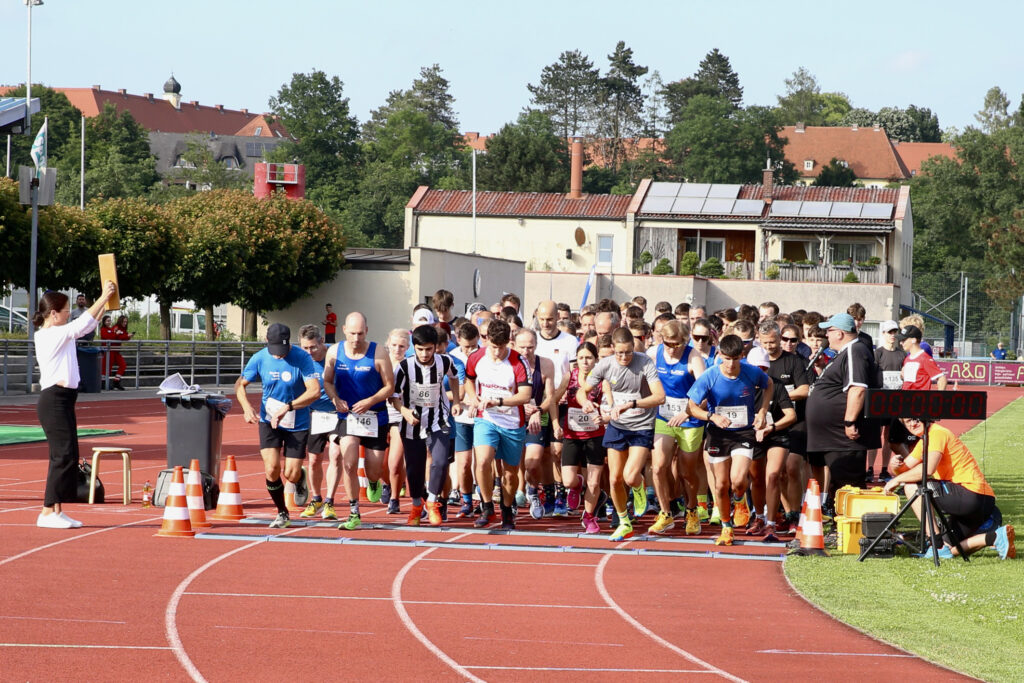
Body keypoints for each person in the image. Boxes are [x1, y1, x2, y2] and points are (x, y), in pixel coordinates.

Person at [34, 281, 118, 529]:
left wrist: (106, 304)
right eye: (66, 310)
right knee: (63, 455)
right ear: (53, 313)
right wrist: (103, 297)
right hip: (54, 400)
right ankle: (47, 511)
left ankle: (56, 509)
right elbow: (80, 325)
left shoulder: (62, 333)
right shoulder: (50, 335)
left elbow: (87, 325)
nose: (69, 313)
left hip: (66, 399)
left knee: (66, 455)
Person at [577, 327, 666, 542]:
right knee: (615, 479)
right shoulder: (606, 365)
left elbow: (660, 397)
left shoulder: (644, 362)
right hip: (618, 426)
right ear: (613, 349)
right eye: (619, 353)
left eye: (628, 352)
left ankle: (639, 487)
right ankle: (624, 521)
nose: (624, 357)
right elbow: (583, 390)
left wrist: (631, 404)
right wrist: (586, 403)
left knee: (629, 476)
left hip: (641, 425)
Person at [883, 419, 1015, 560]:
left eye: (916, 419)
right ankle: (994, 537)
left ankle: (936, 543)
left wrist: (897, 479)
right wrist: (895, 467)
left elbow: (928, 469)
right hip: (981, 501)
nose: (912, 424)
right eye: (908, 421)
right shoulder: (925, 440)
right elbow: (905, 469)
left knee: (911, 487)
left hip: (971, 494)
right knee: (948, 549)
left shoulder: (937, 433)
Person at [686, 334, 772, 546]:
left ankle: (739, 499)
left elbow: (769, 385)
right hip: (719, 433)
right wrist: (711, 416)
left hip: (743, 432)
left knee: (738, 481)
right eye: (727, 358)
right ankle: (726, 526)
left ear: (742, 356)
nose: (732, 364)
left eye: (736, 359)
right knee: (721, 484)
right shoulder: (709, 376)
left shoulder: (751, 372)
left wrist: (762, 411)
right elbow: (691, 407)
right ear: (720, 356)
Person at [235, 323, 322, 528]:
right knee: (272, 469)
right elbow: (240, 385)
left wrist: (289, 407)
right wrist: (246, 407)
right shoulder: (259, 358)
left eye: (283, 352)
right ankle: (282, 512)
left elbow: (314, 391)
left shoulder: (301, 358)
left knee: (290, 474)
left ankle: (299, 477)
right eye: (275, 352)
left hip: (296, 422)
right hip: (269, 421)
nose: (279, 356)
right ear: (267, 342)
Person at [322, 312, 395, 531]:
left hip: (375, 417)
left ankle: (373, 481)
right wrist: (335, 398)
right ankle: (354, 512)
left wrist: (370, 401)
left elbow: (389, 387)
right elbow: (327, 381)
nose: (356, 338)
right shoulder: (334, 351)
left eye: (360, 333)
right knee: (349, 462)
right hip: (348, 416)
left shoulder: (378, 352)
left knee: (373, 470)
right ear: (344, 330)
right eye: (352, 333)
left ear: (367, 331)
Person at [462, 319, 532, 530]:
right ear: (487, 341)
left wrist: (499, 401)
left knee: (510, 474)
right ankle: (486, 506)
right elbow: (469, 380)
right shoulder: (476, 357)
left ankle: (508, 509)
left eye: (501, 348)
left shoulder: (518, 362)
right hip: (487, 419)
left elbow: (525, 396)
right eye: (493, 347)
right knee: (483, 460)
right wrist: (474, 398)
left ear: (508, 343)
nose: (497, 353)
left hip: (512, 422)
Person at [805, 313, 882, 502]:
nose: (826, 336)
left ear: (839, 333)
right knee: (839, 484)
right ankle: (842, 523)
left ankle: (853, 527)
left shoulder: (854, 350)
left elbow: (857, 389)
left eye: (829, 331)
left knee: (849, 483)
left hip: (843, 436)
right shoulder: (844, 353)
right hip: (833, 436)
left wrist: (849, 421)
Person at [393, 325, 462, 526]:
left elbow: (455, 377)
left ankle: (432, 502)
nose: (424, 354)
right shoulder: (404, 367)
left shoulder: (445, 362)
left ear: (436, 348)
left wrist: (456, 401)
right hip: (411, 422)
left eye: (429, 349)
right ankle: (416, 505)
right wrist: (404, 412)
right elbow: (394, 396)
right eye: (420, 349)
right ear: (413, 347)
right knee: (414, 468)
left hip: (438, 420)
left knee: (440, 462)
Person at [651, 320, 706, 535]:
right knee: (658, 467)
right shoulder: (655, 353)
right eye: (668, 343)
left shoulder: (693, 358)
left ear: (685, 341)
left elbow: (704, 394)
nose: (672, 348)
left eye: (676, 344)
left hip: (690, 419)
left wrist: (687, 412)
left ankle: (692, 510)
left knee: (686, 472)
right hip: (664, 417)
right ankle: (666, 513)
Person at [560, 342, 607, 533]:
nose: (585, 362)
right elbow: (554, 399)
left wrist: (604, 415)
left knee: (594, 482)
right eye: (581, 358)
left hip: (595, 435)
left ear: (596, 360)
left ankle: (589, 517)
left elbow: (608, 403)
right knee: (568, 482)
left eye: (589, 358)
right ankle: (577, 485)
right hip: (572, 433)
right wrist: (554, 422)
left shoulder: (603, 381)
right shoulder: (569, 377)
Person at [515, 328, 561, 519]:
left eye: (530, 347)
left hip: (536, 416)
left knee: (533, 463)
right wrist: (519, 404)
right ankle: (513, 498)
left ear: (536, 345)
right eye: (522, 347)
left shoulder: (546, 364)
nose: (526, 352)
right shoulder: (509, 364)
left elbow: (550, 397)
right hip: (513, 417)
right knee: (513, 463)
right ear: (514, 345)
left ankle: (533, 492)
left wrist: (538, 412)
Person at [297, 325, 338, 521]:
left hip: (338, 412)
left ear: (321, 341)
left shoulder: (336, 355)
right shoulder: (301, 359)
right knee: (314, 460)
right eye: (305, 348)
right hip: (315, 414)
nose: (309, 352)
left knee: (336, 455)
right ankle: (316, 498)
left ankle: (330, 501)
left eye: (313, 347)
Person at [382, 329, 411, 514]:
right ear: (388, 344)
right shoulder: (381, 363)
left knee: (395, 462)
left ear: (408, 347)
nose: (397, 349)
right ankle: (388, 483)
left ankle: (394, 498)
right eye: (394, 345)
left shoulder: (410, 366)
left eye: (401, 346)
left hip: (399, 417)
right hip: (378, 416)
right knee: (378, 466)